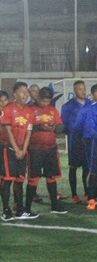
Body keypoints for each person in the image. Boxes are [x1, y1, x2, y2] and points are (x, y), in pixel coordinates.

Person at [1, 82, 38, 220]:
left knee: (20, 180)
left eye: (26, 92)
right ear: (15, 94)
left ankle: (20, 210)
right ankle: (6, 210)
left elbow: (29, 132)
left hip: (22, 150)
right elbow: (8, 131)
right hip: (8, 149)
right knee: (7, 179)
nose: (25, 94)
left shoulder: (29, 112)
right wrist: (16, 149)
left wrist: (23, 149)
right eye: (22, 92)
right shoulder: (8, 109)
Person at [28, 87, 67, 214]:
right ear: (37, 97)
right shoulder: (29, 109)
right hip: (34, 149)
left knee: (51, 177)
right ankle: (27, 208)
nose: (45, 104)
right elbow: (26, 128)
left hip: (50, 149)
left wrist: (54, 127)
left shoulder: (52, 110)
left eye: (48, 101)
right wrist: (40, 127)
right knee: (33, 177)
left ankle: (54, 206)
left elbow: (60, 127)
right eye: (43, 101)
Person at [60, 80, 91, 204]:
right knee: (73, 167)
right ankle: (74, 194)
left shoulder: (90, 104)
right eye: (79, 89)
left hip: (88, 140)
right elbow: (64, 124)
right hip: (75, 140)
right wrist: (74, 133)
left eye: (84, 89)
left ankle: (87, 193)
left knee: (87, 167)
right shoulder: (68, 106)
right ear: (74, 91)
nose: (82, 91)